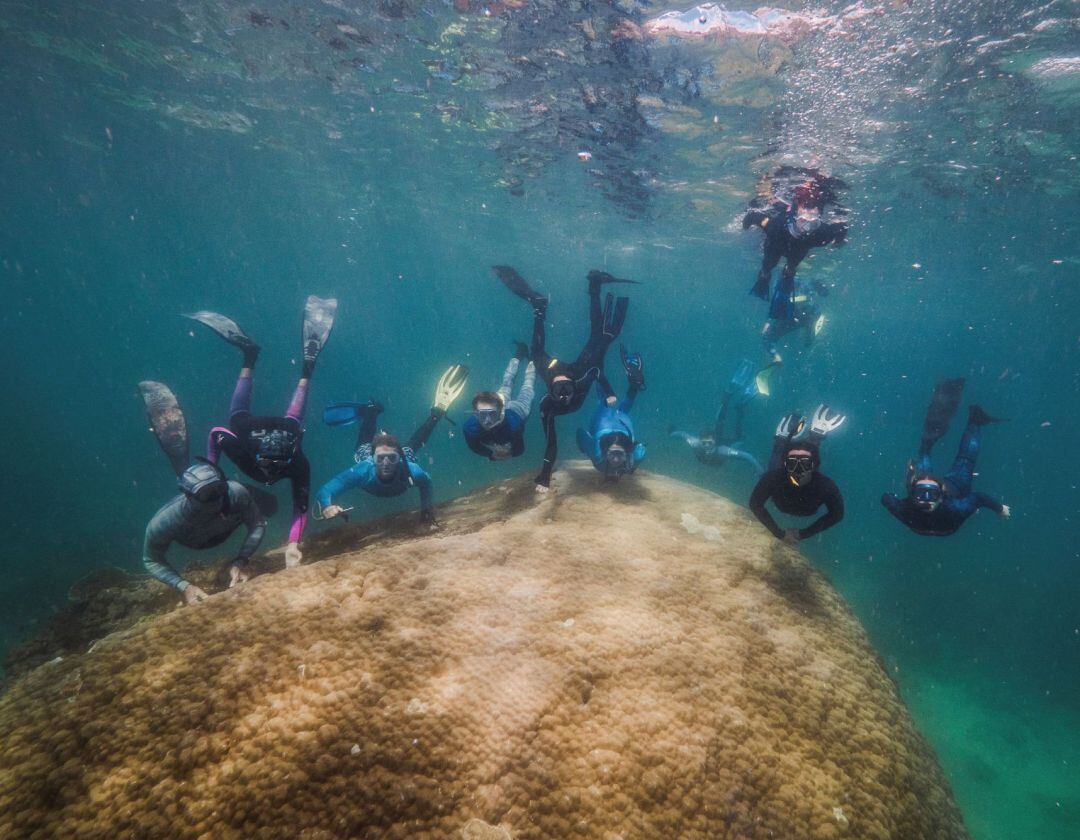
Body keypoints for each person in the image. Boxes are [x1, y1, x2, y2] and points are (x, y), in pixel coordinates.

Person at [187, 296, 337, 569]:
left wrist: (293, 544)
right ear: (259, 457)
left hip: (286, 433)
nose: (270, 473)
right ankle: (280, 362)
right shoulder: (249, 450)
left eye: (275, 467)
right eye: (268, 467)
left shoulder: (298, 463)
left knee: (288, 419)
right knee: (240, 419)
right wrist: (212, 471)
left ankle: (264, 360)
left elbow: (301, 510)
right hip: (255, 434)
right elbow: (216, 433)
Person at [495, 265, 638, 492]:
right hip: (555, 371)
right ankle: (589, 288)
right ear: (550, 391)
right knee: (597, 339)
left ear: (572, 387)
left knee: (548, 350)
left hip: (570, 370)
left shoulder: (577, 380)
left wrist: (609, 391)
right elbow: (551, 443)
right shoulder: (547, 405)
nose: (563, 399)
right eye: (559, 394)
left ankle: (543, 307)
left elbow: (597, 373)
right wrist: (544, 475)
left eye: (565, 393)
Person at [316, 366, 469, 528]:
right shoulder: (363, 469)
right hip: (372, 455)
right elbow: (325, 490)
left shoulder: (410, 468)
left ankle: (434, 414)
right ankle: (371, 411)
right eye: (380, 458)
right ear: (373, 459)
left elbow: (427, 483)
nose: (386, 462)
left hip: (399, 459)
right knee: (364, 447)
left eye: (392, 458)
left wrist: (426, 513)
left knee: (408, 449)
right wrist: (327, 506)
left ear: (399, 458)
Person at [882, 378, 1010, 536]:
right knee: (965, 460)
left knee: (926, 452)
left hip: (948, 490)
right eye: (922, 494)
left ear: (941, 495)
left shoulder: (904, 509)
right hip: (956, 489)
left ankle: (950, 427)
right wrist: (1000, 508)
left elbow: (886, 498)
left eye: (931, 494)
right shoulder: (956, 509)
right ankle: (975, 420)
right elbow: (979, 498)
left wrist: (904, 491)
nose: (926, 500)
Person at [143, 459, 267, 603]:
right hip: (198, 542)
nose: (216, 498)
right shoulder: (165, 521)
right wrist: (184, 586)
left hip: (224, 525)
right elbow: (151, 560)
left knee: (266, 502)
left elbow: (258, 523)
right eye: (206, 493)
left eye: (219, 488)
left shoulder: (236, 493)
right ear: (188, 495)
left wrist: (241, 560)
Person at [743, 175, 847, 309]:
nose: (807, 228)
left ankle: (786, 276)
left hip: (798, 251)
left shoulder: (821, 233)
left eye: (813, 222)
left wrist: (839, 241)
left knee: (791, 267)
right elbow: (755, 217)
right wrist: (746, 226)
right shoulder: (776, 226)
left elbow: (840, 229)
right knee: (768, 266)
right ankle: (765, 276)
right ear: (795, 215)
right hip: (775, 245)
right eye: (803, 220)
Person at [749, 406, 846, 543]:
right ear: (786, 464)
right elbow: (754, 503)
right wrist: (779, 533)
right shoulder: (773, 478)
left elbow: (837, 514)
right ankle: (792, 440)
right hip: (797, 501)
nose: (798, 468)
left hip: (787, 501)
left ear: (814, 465)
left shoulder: (825, 486)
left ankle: (797, 439)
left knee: (781, 458)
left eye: (805, 463)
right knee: (776, 464)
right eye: (793, 462)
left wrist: (802, 534)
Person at [670, 358, 765, 474]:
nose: (706, 446)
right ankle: (739, 406)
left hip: (726, 444)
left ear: (714, 442)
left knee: (737, 439)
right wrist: (672, 434)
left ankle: (729, 397)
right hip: (718, 440)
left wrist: (758, 468)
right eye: (704, 443)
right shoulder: (695, 443)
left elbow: (747, 456)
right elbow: (683, 435)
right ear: (700, 441)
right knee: (720, 425)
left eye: (709, 443)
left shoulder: (723, 451)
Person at [576, 345, 647, 479]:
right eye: (613, 454)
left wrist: (583, 446)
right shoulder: (597, 451)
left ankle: (633, 384)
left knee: (618, 409)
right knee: (605, 405)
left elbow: (580, 433)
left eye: (618, 454)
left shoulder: (600, 454)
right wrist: (583, 447)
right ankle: (599, 371)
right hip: (605, 425)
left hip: (616, 425)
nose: (615, 460)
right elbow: (580, 434)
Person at [462, 344, 537, 461]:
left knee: (527, 387)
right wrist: (491, 454)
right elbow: (474, 446)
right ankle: (519, 354)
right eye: (482, 415)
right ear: (475, 413)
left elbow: (520, 449)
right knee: (507, 384)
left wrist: (506, 454)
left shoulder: (514, 425)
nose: (487, 420)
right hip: (500, 403)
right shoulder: (470, 427)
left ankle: (533, 362)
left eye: (491, 414)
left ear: (501, 411)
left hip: (516, 412)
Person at [761, 276, 828, 365]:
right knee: (768, 338)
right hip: (802, 315)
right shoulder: (801, 285)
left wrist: (769, 321)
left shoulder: (792, 284)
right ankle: (808, 333)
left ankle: (777, 357)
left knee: (767, 338)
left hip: (796, 316)